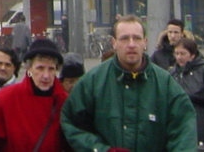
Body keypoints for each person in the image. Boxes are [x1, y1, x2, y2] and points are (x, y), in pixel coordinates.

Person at [61, 14, 196, 152]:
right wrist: (101, 150)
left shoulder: (165, 85)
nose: (131, 44)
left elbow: (184, 131)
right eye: (124, 38)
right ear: (114, 43)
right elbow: (71, 125)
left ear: (145, 42)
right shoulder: (93, 82)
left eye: (137, 38)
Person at [0, 38, 67, 152]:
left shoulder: (65, 102)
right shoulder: (6, 98)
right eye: (40, 68)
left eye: (51, 69)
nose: (46, 75)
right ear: (29, 69)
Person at [170, 36, 204, 145]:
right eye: (176, 53)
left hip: (200, 123)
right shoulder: (172, 73)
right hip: (177, 123)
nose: (179, 57)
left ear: (192, 55)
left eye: (183, 54)